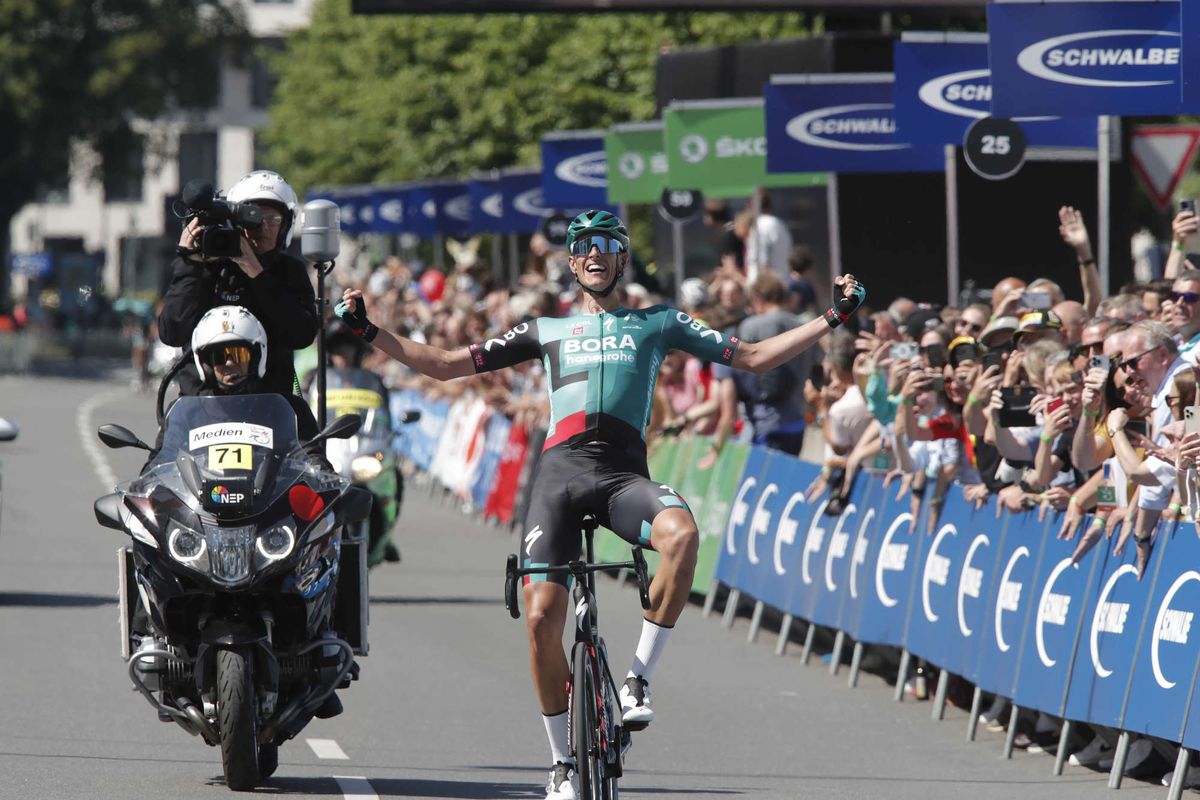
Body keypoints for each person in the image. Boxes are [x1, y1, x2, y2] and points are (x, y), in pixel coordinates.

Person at [334, 209, 866, 800]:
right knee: (539, 620)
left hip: (620, 476)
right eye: (583, 247)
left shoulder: (659, 322)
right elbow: (445, 364)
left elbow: (755, 357)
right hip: (558, 476)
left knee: (682, 536)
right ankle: (562, 760)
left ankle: (637, 679)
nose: (594, 255)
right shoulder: (545, 329)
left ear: (621, 259)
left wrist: (832, 317)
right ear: (571, 262)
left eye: (606, 246)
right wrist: (368, 330)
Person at [158, 170, 318, 398]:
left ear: (286, 226)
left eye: (273, 219)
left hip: (270, 410)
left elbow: (301, 335)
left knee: (312, 432)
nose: (263, 227)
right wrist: (191, 267)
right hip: (201, 409)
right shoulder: (206, 265)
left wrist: (258, 274)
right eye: (253, 218)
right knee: (164, 434)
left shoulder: (290, 271)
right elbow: (171, 333)